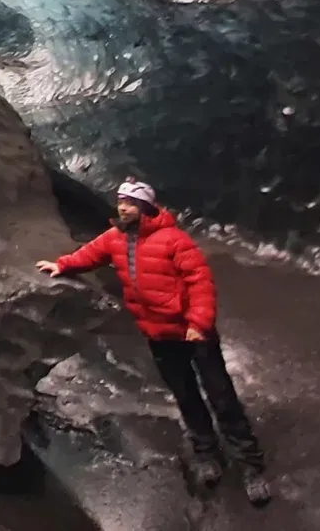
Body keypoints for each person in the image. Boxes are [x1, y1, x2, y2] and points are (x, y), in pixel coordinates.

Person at [37, 178, 271, 507]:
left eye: (130, 203)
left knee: (221, 396)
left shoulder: (173, 240)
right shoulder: (116, 238)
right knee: (186, 396)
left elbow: (200, 281)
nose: (122, 207)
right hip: (159, 335)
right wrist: (62, 264)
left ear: (145, 207)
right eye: (120, 201)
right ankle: (207, 454)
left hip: (193, 332)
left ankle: (250, 465)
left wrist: (199, 323)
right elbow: (89, 254)